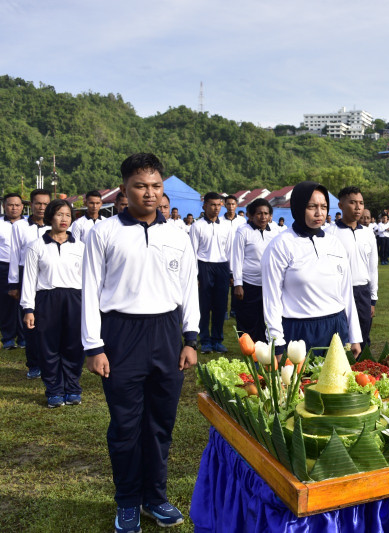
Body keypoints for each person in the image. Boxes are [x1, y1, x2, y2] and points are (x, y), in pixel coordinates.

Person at [82, 153, 199, 532]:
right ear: (125, 189)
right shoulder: (103, 232)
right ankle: (128, 501)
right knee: (125, 425)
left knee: (161, 422)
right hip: (121, 335)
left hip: (166, 334)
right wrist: (94, 346)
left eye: (155, 186)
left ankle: (155, 498)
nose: (149, 194)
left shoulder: (177, 235)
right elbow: (90, 291)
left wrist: (190, 338)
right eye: (140, 186)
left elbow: (189, 290)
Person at [262, 181, 362, 358]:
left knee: (339, 384)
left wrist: (354, 336)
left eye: (324, 207)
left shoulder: (334, 243)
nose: (319, 213)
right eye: (311, 207)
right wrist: (276, 343)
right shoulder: (280, 245)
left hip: (336, 328)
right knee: (302, 384)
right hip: (299, 332)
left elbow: (346, 293)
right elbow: (271, 299)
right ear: (299, 207)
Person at [21, 199, 84, 408]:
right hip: (46, 300)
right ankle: (54, 391)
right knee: (48, 347)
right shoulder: (36, 246)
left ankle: (73, 388)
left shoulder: (81, 247)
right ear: (50, 217)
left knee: (74, 346)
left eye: (67, 215)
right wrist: (28, 308)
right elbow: (29, 280)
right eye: (59, 214)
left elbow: (88, 279)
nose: (64, 219)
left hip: (75, 300)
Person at [326, 187, 379, 345]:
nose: (358, 207)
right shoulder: (330, 233)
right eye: (353, 203)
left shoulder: (368, 233)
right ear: (341, 206)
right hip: (339, 292)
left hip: (362, 292)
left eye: (361, 203)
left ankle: (362, 368)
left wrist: (373, 299)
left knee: (363, 336)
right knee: (341, 338)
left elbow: (372, 267)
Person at [9, 189, 51, 379]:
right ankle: (34, 363)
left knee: (49, 322)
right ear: (31, 205)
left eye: (45, 203)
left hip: (49, 277)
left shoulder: (56, 224)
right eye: (38, 203)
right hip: (26, 275)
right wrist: (13, 283)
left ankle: (50, 361)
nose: (42, 207)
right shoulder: (20, 226)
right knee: (30, 321)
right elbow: (14, 255)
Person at [190, 192, 234, 354]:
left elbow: (229, 250)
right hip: (204, 266)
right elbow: (193, 252)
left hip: (222, 266)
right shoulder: (197, 226)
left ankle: (217, 340)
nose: (216, 208)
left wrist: (230, 273)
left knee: (220, 305)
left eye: (218, 204)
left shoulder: (225, 227)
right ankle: (205, 340)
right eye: (212, 204)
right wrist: (195, 275)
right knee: (204, 306)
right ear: (205, 206)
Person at [231, 199, 277, 343]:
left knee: (266, 318)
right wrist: (238, 284)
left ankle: (264, 350)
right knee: (248, 318)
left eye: (266, 213)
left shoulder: (275, 231)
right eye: (259, 213)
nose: (263, 217)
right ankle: (248, 350)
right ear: (251, 215)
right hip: (248, 283)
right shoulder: (243, 231)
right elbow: (237, 258)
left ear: (270, 216)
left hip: (268, 284)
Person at [1, 193, 26, 350]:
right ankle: (8, 337)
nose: (14, 208)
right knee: (6, 303)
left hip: (23, 266)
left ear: (22, 207)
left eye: (17, 205)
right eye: (11, 205)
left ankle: (24, 337)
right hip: (3, 266)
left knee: (24, 302)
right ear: (4, 206)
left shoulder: (28, 224)